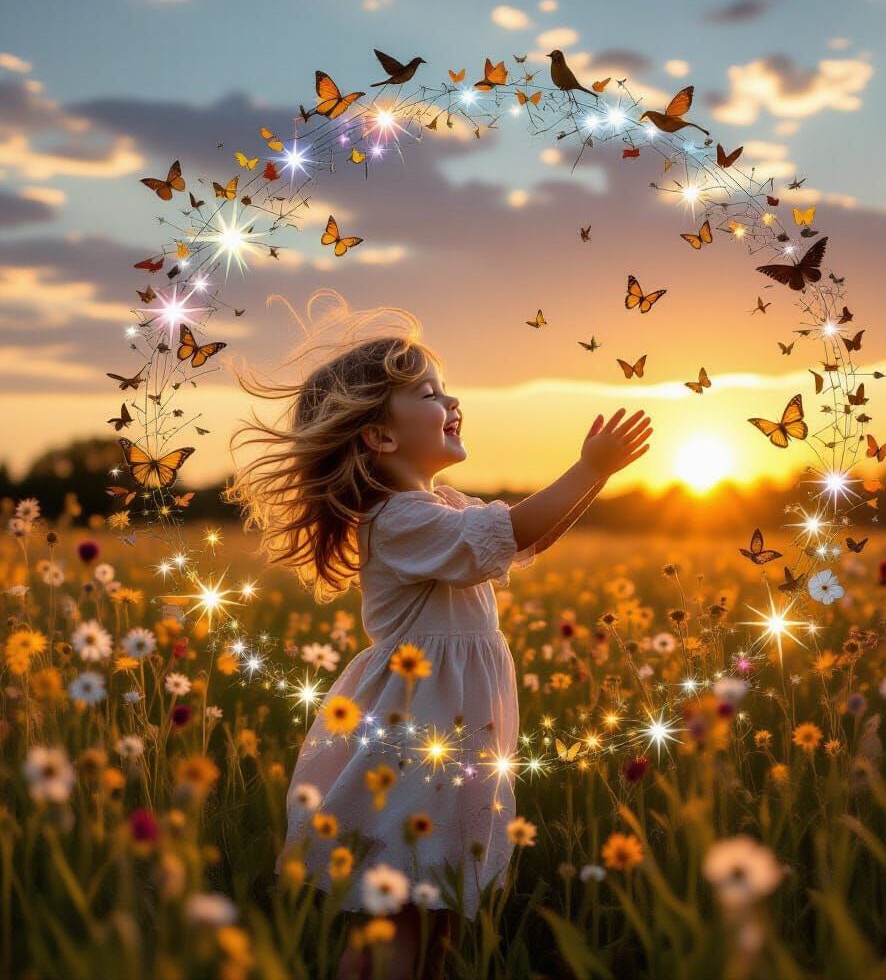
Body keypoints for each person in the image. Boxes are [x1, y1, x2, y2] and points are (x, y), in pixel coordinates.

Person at [225, 301, 651, 979]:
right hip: (418, 731)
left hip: (459, 730)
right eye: (427, 393)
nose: (451, 401)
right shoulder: (395, 518)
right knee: (403, 909)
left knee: (444, 906)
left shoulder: (441, 506)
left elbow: (522, 536)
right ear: (380, 439)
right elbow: (508, 534)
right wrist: (588, 468)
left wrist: (593, 475)